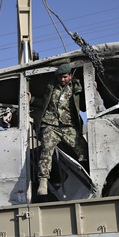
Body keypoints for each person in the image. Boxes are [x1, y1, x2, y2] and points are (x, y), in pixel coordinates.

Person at [30, 64, 88, 196]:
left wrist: (93, 90)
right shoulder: (51, 87)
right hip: (51, 124)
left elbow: (84, 106)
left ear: (70, 76)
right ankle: (43, 182)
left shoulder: (76, 88)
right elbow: (44, 103)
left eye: (65, 77)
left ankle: (89, 174)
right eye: (60, 77)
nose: (62, 79)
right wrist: (31, 99)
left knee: (82, 149)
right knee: (46, 150)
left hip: (69, 125)